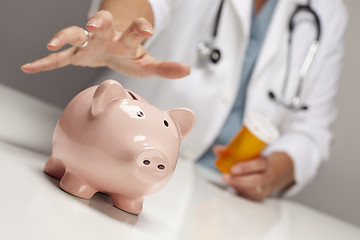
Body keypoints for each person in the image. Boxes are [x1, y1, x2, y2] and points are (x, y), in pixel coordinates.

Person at [21, 0, 348, 201]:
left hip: (224, 198)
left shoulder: (327, 10)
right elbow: (143, 3)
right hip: (116, 164)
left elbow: (312, 127)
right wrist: (117, 30)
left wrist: (277, 169)